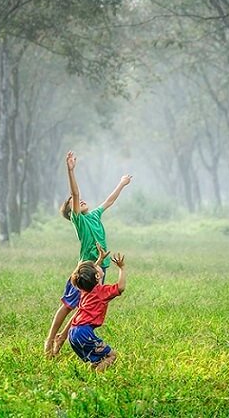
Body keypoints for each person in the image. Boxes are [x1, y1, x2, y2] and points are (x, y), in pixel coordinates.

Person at [44, 151, 132, 357]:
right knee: (68, 305)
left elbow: (109, 201)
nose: (80, 200)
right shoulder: (79, 220)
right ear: (70, 211)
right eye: (73, 202)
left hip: (100, 268)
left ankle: (63, 337)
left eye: (80, 200)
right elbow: (75, 194)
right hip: (85, 270)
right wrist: (70, 170)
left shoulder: (94, 215)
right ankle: (50, 339)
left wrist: (121, 183)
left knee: (86, 304)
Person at [68, 243, 126, 372]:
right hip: (83, 333)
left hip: (73, 333)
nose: (97, 266)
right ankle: (97, 379)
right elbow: (120, 287)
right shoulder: (102, 292)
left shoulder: (84, 289)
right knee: (111, 355)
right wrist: (122, 268)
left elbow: (91, 273)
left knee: (98, 359)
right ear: (97, 276)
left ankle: (91, 375)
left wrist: (100, 259)